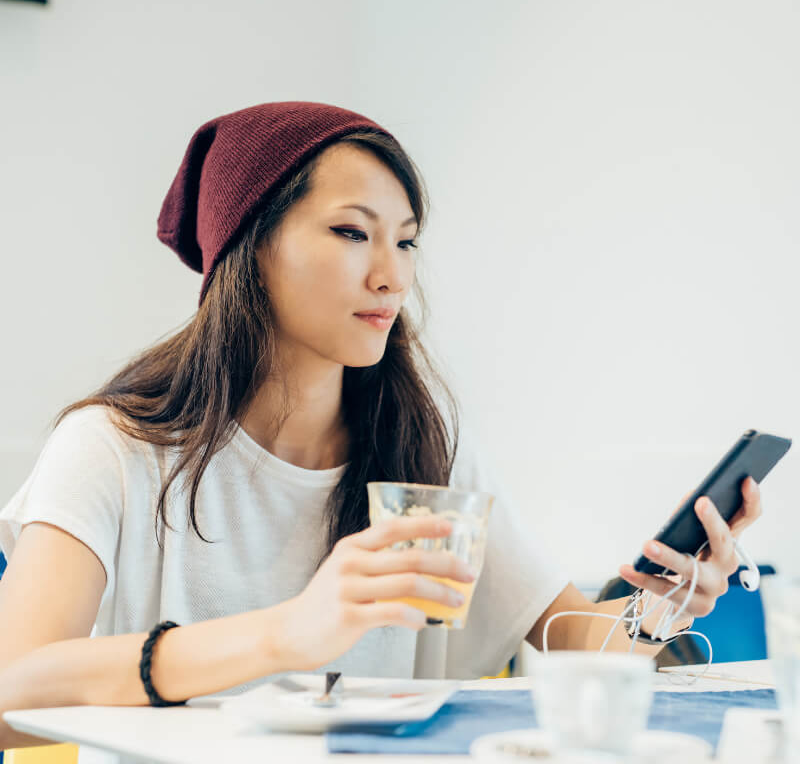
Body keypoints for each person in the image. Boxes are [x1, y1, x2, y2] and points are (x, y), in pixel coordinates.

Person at [0, 101, 761, 752]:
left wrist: (662, 599)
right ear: (248, 248)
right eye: (352, 233)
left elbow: (575, 640)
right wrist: (289, 633)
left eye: (405, 240)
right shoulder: (115, 448)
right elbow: (10, 691)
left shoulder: (428, 452)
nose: (393, 277)